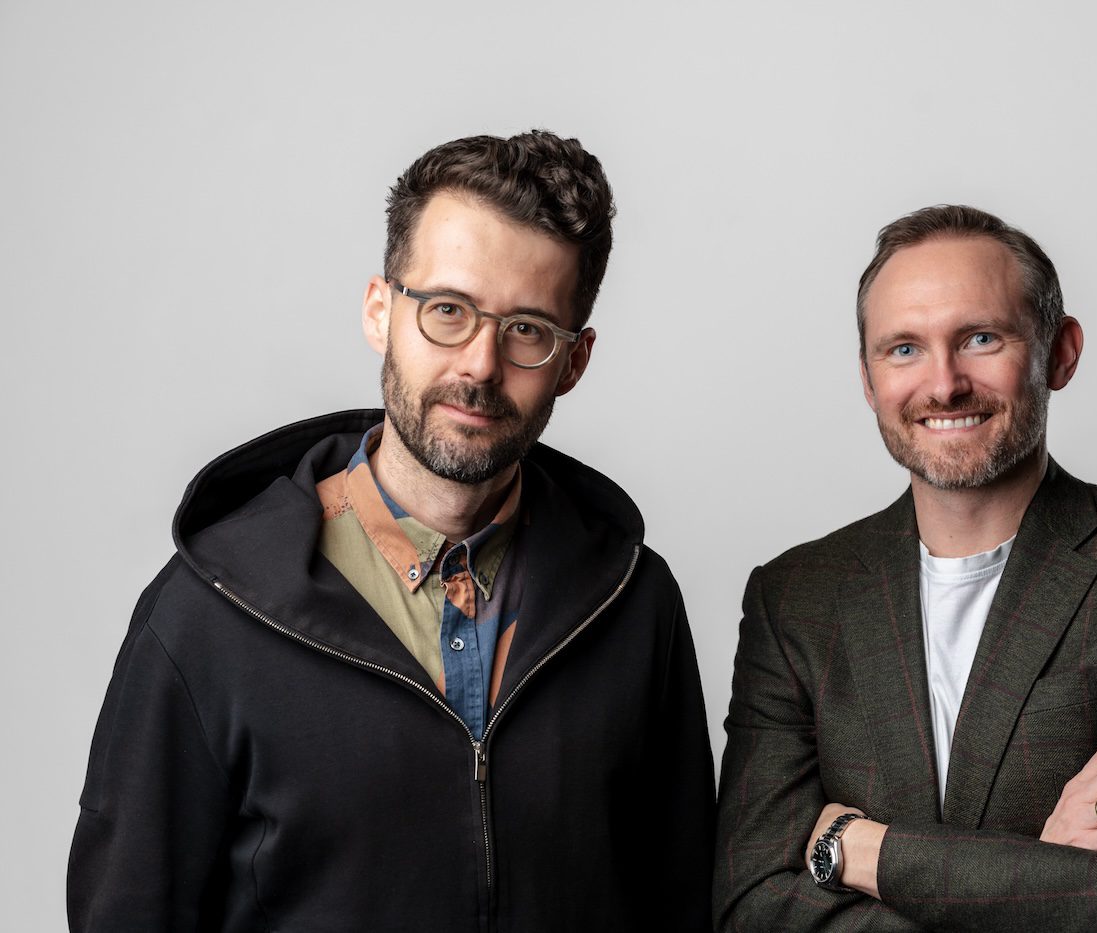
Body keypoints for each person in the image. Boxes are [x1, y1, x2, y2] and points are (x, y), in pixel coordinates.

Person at [69, 130, 714, 932]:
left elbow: (682, 907)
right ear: (380, 311)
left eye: (526, 329)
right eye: (448, 311)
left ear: (573, 361)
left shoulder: (634, 606)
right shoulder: (207, 615)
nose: (479, 365)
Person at [714, 205, 1097, 931]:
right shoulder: (794, 598)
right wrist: (1039, 877)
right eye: (904, 348)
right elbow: (752, 906)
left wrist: (856, 847)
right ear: (868, 380)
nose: (944, 384)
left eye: (980, 338)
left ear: (1061, 353)